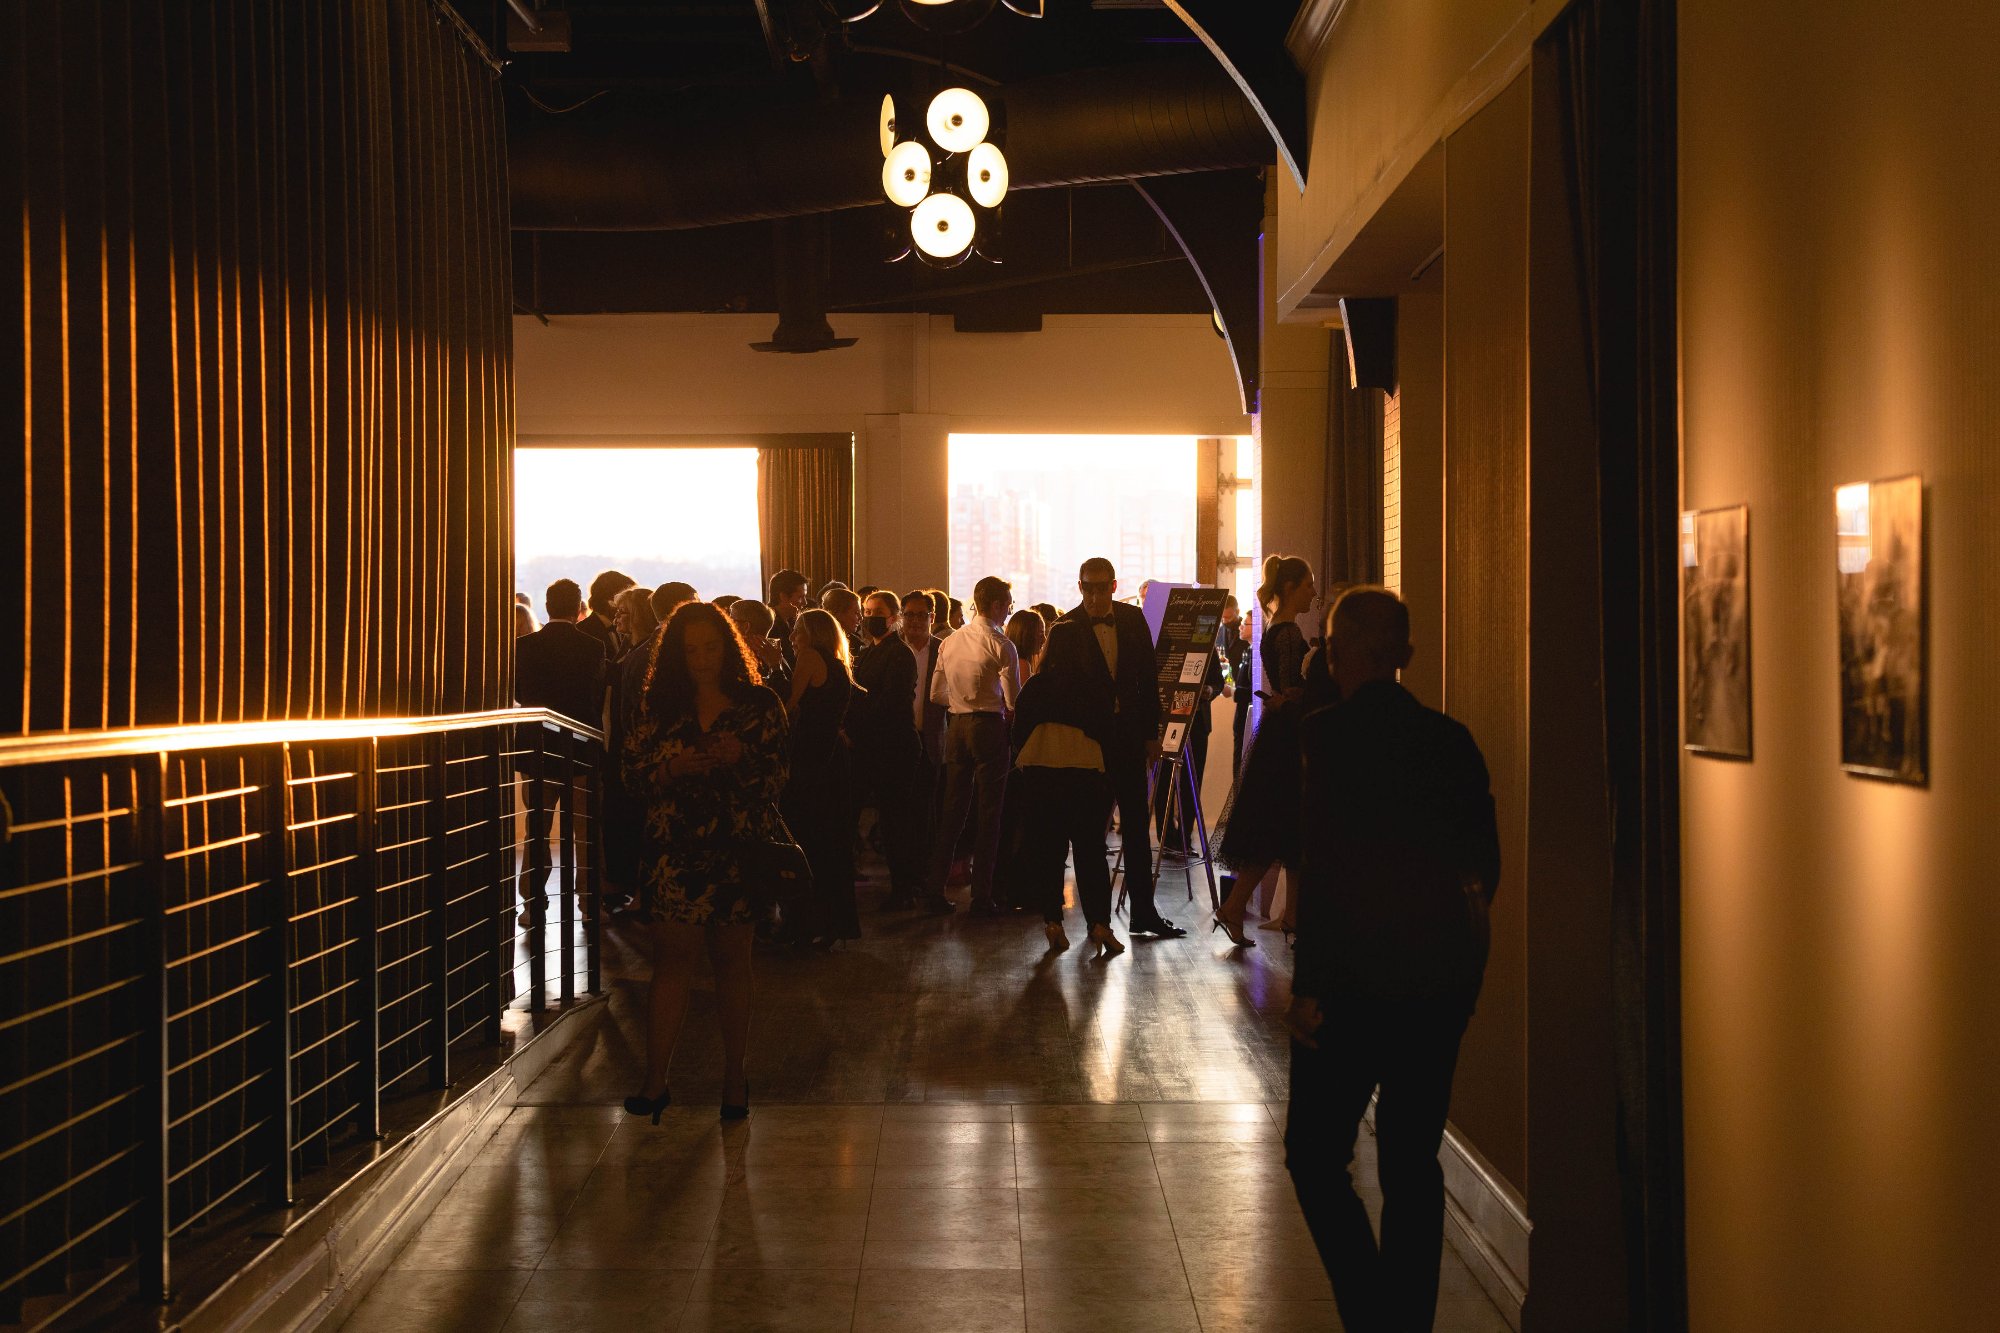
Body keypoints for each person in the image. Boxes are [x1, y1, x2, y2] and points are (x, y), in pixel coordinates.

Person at [1285, 588, 1499, 1333]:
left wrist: (1308, 985)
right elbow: (1485, 866)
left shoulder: (1323, 737)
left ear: (1337, 651)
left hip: (1348, 984)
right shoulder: (1453, 741)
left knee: (1314, 1155)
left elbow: (1324, 866)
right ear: (1405, 655)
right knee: (1412, 1161)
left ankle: (1372, 1316)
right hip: (1436, 983)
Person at [621, 602, 789, 1125]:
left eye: (711, 648)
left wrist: (740, 759)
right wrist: (672, 768)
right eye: (690, 650)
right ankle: (655, 1079)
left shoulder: (759, 704)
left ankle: (734, 1078)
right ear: (675, 654)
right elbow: (632, 776)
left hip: (736, 848)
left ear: (729, 647)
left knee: (732, 963)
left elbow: (777, 778)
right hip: (675, 850)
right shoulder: (659, 704)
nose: (701, 660)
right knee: (671, 962)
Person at [1058, 559, 1181, 938]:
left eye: (1100, 587)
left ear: (1113, 586)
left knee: (1137, 832)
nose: (1093, 595)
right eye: (1086, 588)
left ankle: (1144, 912)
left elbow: (1148, 679)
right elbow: (1062, 693)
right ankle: (1098, 920)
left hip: (1129, 740)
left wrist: (1150, 735)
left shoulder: (1131, 619)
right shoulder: (1067, 627)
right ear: (1080, 587)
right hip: (1089, 744)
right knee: (1089, 833)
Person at [1211, 555, 1317, 946]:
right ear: (1290, 588)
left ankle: (1284, 915)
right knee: (1283, 829)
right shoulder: (1288, 633)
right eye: (1308, 585)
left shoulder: (1275, 628)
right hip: (1288, 740)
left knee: (1285, 832)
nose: (1313, 593)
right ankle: (1250, 910)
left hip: (1280, 736)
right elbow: (1292, 690)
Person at [1010, 620, 1124, 958]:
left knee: (1049, 852)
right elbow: (1108, 735)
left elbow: (1018, 734)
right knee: (1090, 853)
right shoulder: (1094, 689)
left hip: (1041, 775)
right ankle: (1100, 924)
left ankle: (1053, 922)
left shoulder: (1035, 686)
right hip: (1085, 776)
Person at [513, 579, 609, 928]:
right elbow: (597, 694)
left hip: (536, 750)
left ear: (548, 605)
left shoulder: (523, 647)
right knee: (585, 830)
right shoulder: (593, 646)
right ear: (577, 606)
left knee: (537, 829)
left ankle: (532, 905)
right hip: (581, 748)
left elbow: (519, 693)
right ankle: (588, 903)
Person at [925, 576, 1022, 915]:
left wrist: (960, 699)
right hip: (988, 726)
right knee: (989, 814)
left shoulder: (949, 642)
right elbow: (1013, 701)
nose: (1009, 611)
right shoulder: (1002, 644)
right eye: (1008, 605)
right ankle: (982, 896)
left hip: (957, 726)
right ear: (996, 606)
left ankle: (934, 890)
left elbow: (936, 694)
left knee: (952, 812)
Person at [779, 608, 862, 946]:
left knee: (808, 841)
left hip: (812, 761)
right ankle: (834, 922)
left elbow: (788, 705)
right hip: (833, 760)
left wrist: (773, 667)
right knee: (832, 842)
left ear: (811, 634)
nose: (792, 638)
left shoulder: (810, 656)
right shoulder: (837, 663)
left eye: (797, 631)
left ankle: (806, 923)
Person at [852, 590, 927, 908]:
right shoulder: (870, 651)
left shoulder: (899, 654)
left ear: (894, 617)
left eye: (877, 611)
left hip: (895, 747)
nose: (870, 616)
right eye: (866, 610)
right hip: (872, 747)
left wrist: (857, 720)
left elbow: (891, 702)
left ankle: (904, 888)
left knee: (897, 820)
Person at [603, 586, 661, 907]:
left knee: (636, 819)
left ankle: (641, 892)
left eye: (622, 612)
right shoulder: (630, 646)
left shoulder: (648, 651)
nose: (616, 619)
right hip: (621, 745)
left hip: (633, 747)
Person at [729, 599, 790, 700]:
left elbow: (778, 697)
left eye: (731, 620)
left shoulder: (746, 661)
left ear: (746, 627)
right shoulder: (779, 658)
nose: (728, 625)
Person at [1220, 595, 1253, 780]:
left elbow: (1251, 687)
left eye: (1244, 623)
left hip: (1246, 711)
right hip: (1240, 713)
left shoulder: (1252, 651)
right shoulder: (1221, 631)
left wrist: (1233, 691)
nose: (1226, 622)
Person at [581, 569, 636, 660]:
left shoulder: (629, 629)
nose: (630, 605)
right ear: (610, 601)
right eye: (625, 599)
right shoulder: (583, 631)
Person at [767, 569, 810, 670]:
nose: (805, 603)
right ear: (784, 596)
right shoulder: (769, 625)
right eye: (800, 597)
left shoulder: (793, 621)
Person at [821, 585, 866, 660]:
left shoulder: (857, 645)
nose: (861, 618)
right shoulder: (817, 643)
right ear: (838, 613)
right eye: (856, 612)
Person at [1004, 608, 1048, 678]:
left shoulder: (1011, 660)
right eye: (1040, 634)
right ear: (1026, 635)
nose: (1045, 639)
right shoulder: (1022, 664)